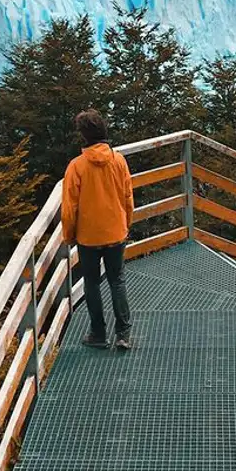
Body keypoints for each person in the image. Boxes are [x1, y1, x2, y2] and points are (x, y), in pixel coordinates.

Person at [61, 109, 134, 350]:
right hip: (116, 232)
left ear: (83, 136)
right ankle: (123, 334)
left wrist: (68, 235)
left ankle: (98, 334)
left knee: (91, 283)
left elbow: (69, 207)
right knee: (117, 281)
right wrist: (126, 223)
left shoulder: (76, 166)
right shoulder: (119, 160)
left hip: (88, 236)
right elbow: (127, 198)